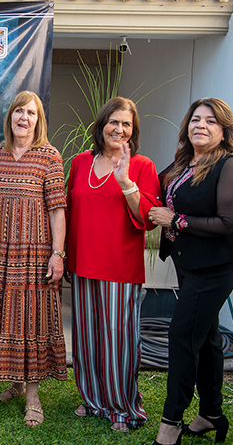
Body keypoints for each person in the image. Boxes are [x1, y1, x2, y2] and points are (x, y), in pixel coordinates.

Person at [0, 91, 67, 426]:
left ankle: (34, 397)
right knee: (8, 316)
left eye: (31, 113)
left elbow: (57, 210)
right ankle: (16, 383)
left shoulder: (49, 157)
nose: (24, 118)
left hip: (34, 255)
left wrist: (57, 254)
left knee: (31, 320)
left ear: (38, 121)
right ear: (9, 116)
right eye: (18, 112)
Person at [66, 97, 161, 431]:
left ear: (133, 132)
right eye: (114, 122)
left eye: (126, 124)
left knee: (117, 340)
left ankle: (123, 407)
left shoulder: (142, 166)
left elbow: (146, 218)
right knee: (87, 338)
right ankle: (93, 400)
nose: (119, 129)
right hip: (81, 263)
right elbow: (69, 209)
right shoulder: (79, 162)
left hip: (119, 267)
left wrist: (126, 183)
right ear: (102, 124)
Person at [149, 98, 233, 445]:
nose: (200, 125)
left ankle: (170, 424)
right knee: (208, 338)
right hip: (188, 265)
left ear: (224, 132)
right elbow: (156, 188)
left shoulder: (227, 165)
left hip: (212, 269)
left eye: (210, 121)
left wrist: (176, 221)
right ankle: (211, 413)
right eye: (195, 119)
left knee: (182, 338)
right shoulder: (184, 162)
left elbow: (228, 222)